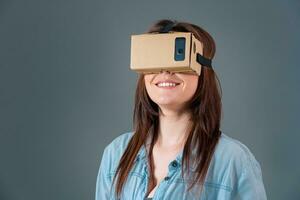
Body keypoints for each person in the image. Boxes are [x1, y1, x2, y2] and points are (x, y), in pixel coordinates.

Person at [95, 19, 267, 200]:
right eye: (155, 59)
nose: (165, 71)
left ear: (203, 70)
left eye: (177, 56)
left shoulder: (233, 161)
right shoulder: (116, 153)